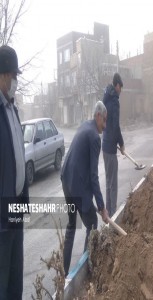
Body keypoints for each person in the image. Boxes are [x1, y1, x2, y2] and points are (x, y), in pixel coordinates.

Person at [61, 101, 109, 276]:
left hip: (66, 181)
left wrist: (94, 202)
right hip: (76, 186)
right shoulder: (95, 137)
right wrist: (102, 207)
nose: (105, 126)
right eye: (104, 121)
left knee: (71, 226)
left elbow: (84, 170)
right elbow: (93, 176)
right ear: (98, 116)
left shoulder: (85, 126)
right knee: (93, 224)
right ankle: (86, 268)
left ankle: (64, 273)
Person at [0, 45, 29, 299]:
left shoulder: (12, 109)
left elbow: (19, 154)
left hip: (16, 211)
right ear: (1, 75)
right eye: (12, 75)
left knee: (15, 282)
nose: (15, 81)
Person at [102, 73, 125, 217]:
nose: (120, 91)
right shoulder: (114, 101)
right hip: (110, 148)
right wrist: (121, 144)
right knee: (113, 184)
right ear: (117, 86)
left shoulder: (106, 99)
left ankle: (108, 214)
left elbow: (109, 125)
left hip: (105, 145)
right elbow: (115, 126)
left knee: (108, 181)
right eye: (120, 88)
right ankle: (113, 215)